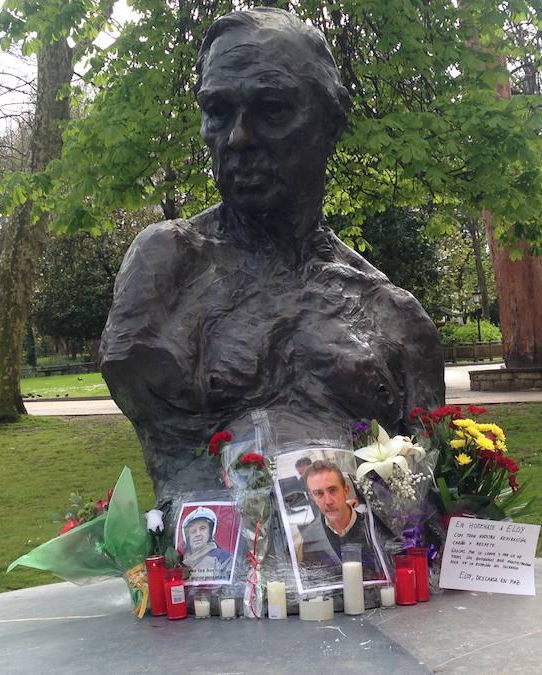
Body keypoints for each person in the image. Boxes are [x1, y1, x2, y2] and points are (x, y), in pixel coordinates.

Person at [100, 8, 444, 497]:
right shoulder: (167, 266)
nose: (238, 138)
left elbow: (427, 494)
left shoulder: (394, 317)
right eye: (218, 111)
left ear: (332, 119)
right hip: (211, 558)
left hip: (357, 567)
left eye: (273, 110)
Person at [293, 460, 383, 583]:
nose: (328, 501)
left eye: (332, 490)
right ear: (312, 498)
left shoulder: (373, 528)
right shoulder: (310, 540)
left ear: (346, 491)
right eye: (319, 493)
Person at [181, 507, 233, 581]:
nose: (198, 534)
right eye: (193, 531)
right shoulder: (180, 562)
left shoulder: (224, 558)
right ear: (187, 537)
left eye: (202, 528)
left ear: (210, 532)